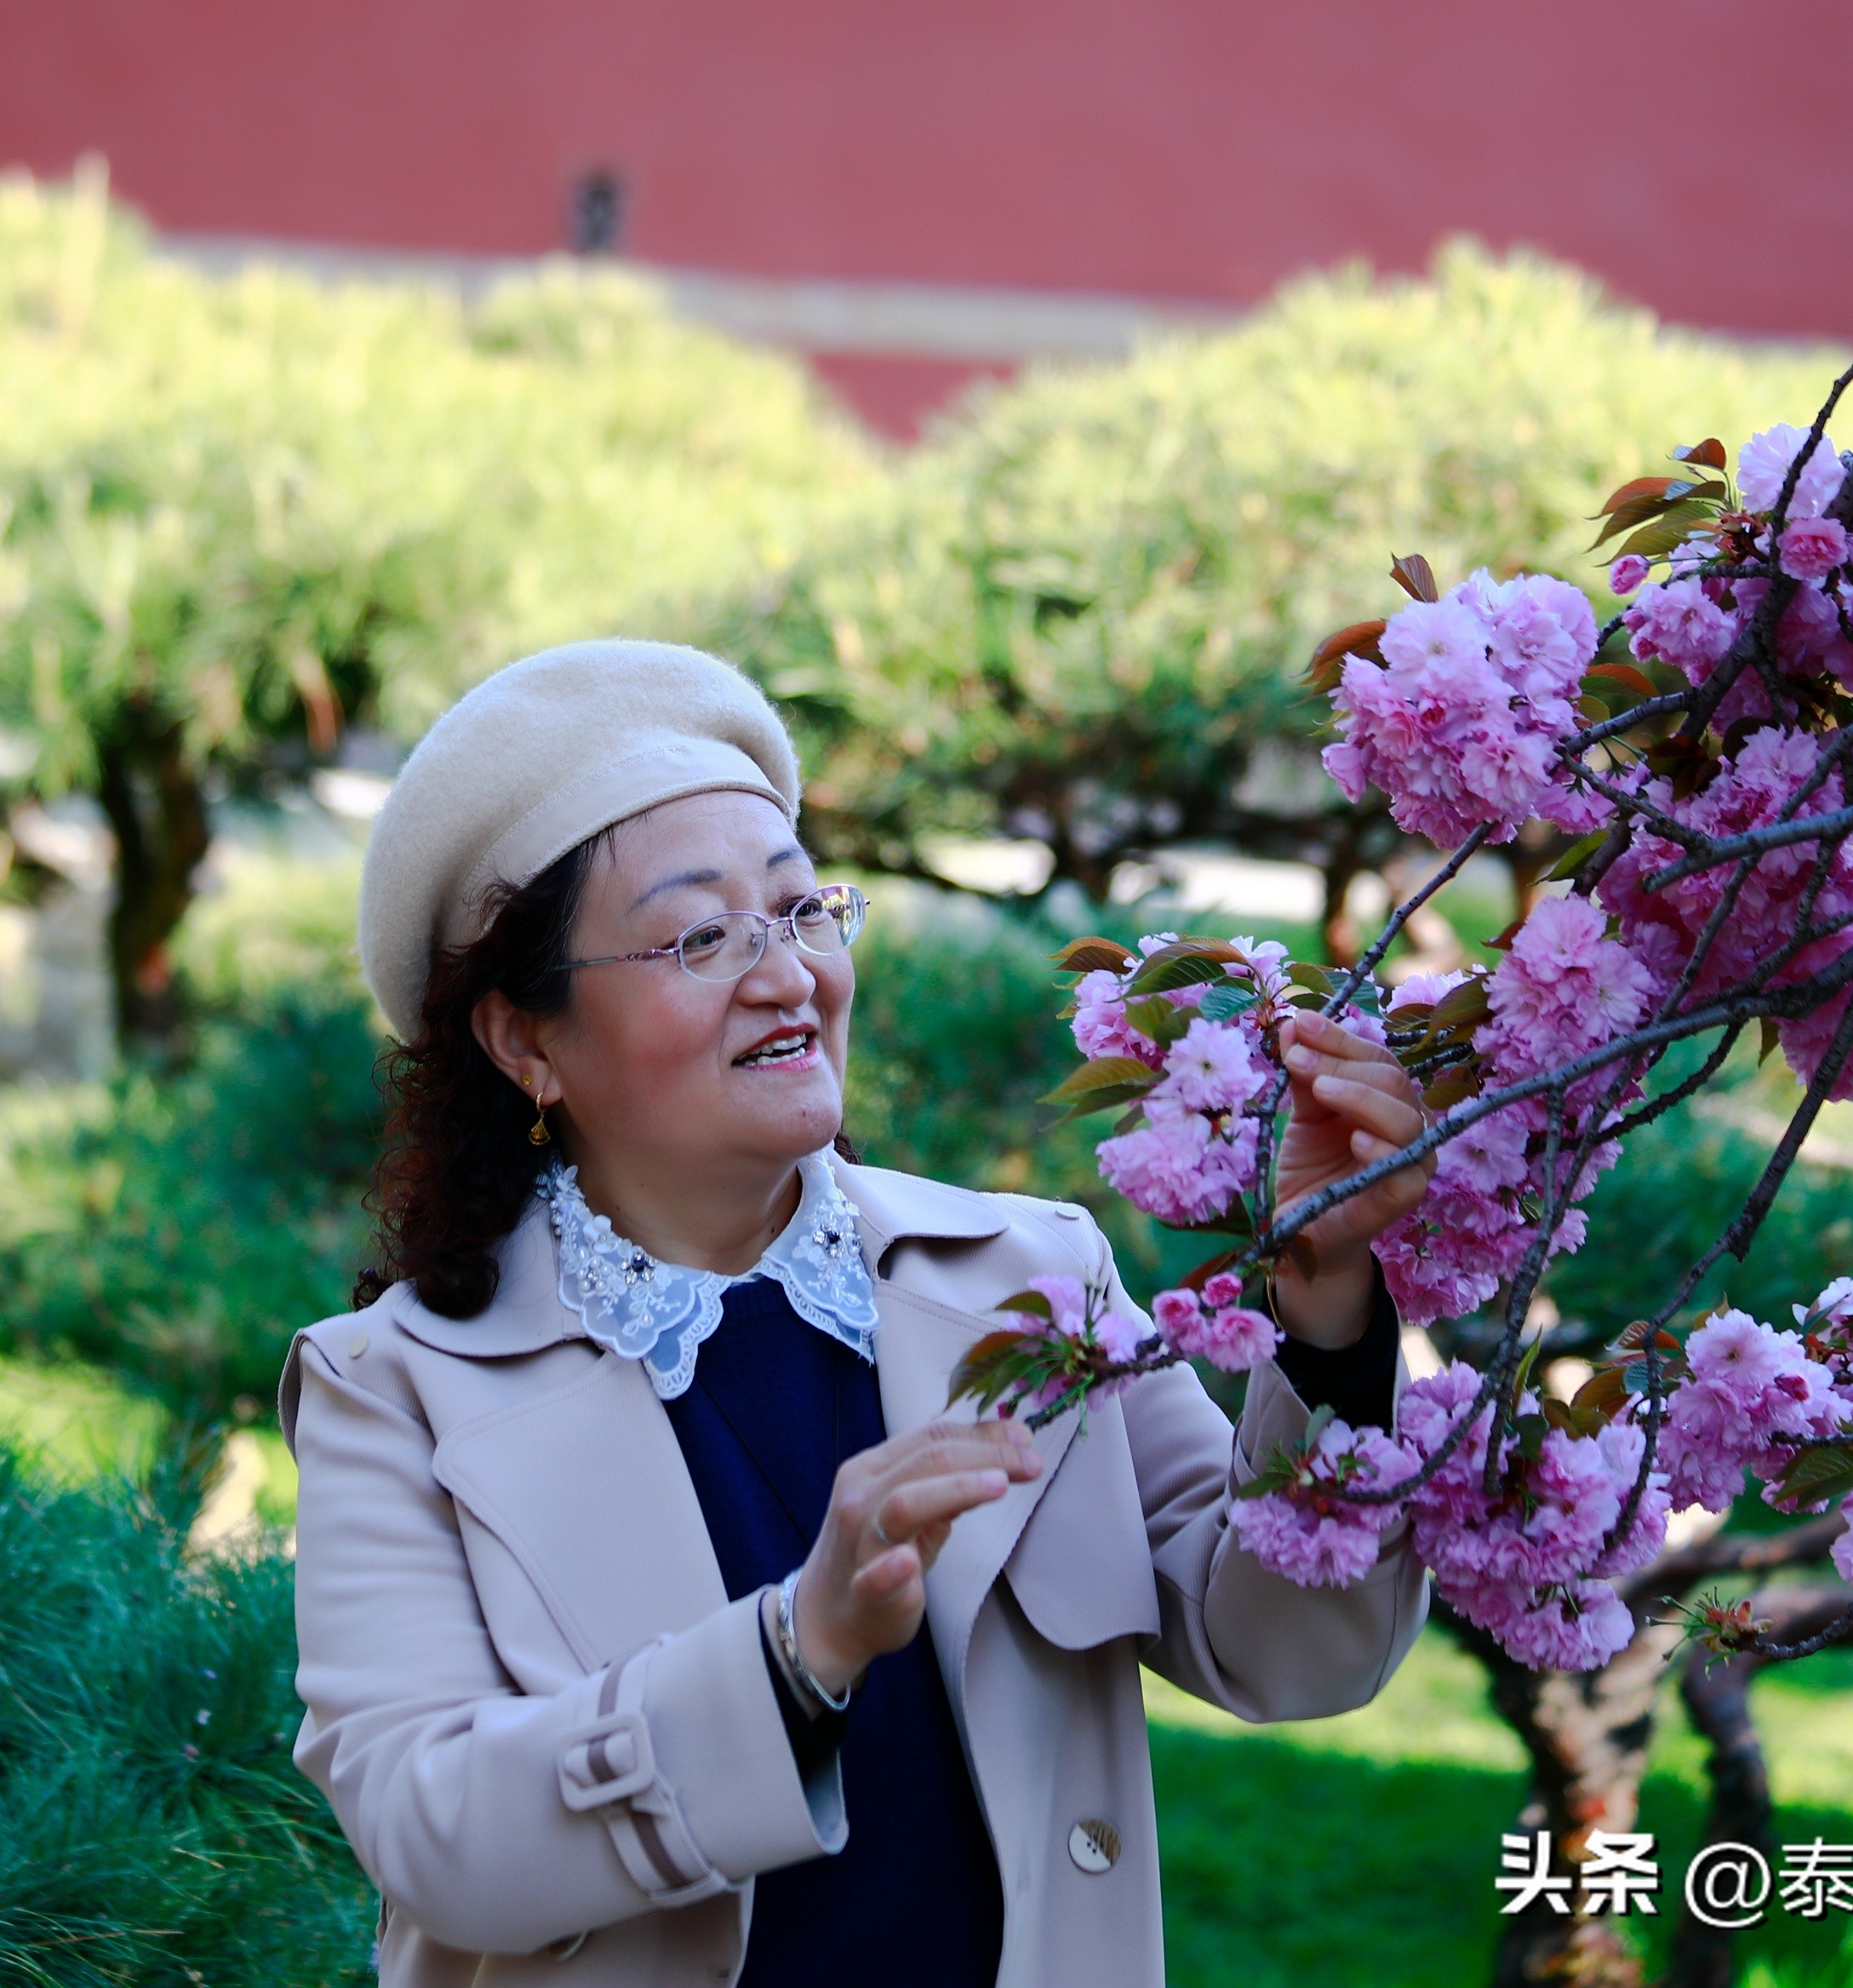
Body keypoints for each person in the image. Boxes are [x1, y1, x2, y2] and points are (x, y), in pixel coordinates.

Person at [285, 640, 1437, 1988]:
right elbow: (441, 1838)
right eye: (700, 935)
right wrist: (799, 1647)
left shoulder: (1027, 1273)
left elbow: (1291, 1650)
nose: (785, 976)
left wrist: (1329, 1310)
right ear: (524, 1041)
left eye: (800, 911)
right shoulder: (401, 1386)